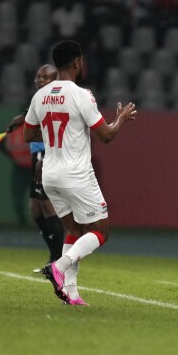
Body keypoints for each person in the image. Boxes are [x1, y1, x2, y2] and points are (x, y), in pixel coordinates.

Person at [23, 40, 137, 306]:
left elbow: (29, 134)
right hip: (76, 175)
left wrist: (55, 132)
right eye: (82, 60)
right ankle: (58, 267)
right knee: (100, 231)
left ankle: (71, 294)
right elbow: (106, 135)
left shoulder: (40, 96)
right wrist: (120, 119)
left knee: (74, 230)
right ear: (76, 62)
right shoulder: (81, 95)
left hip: (50, 175)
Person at [7, 64, 65, 265]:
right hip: (37, 155)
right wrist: (20, 119)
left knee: (48, 207)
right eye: (38, 77)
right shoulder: (40, 98)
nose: (39, 80)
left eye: (44, 77)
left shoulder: (57, 98)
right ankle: (54, 256)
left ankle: (58, 260)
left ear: (54, 80)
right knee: (35, 209)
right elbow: (34, 114)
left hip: (47, 155)